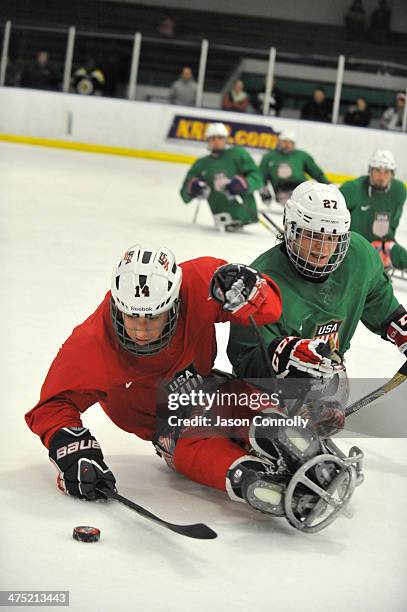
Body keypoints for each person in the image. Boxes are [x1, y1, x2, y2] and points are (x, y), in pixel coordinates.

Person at [25, 244, 289, 521]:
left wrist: (254, 290)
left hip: (212, 391)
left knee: (246, 403)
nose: (141, 329)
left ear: (175, 302)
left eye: (153, 316)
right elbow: (52, 406)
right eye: (131, 315)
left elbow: (269, 312)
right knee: (191, 441)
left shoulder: (201, 281)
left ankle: (287, 435)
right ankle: (249, 478)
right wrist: (74, 451)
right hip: (169, 427)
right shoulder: (92, 342)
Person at [227, 180, 406, 383]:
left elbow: (378, 299)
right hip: (272, 391)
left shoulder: (359, 257)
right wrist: (282, 357)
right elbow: (246, 358)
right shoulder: (259, 283)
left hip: (330, 378)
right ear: (290, 229)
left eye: (332, 237)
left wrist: (401, 328)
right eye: (313, 235)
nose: (323, 248)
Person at [180, 122, 262, 231]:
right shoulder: (201, 164)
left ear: (226, 139)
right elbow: (184, 195)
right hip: (220, 222)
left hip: (246, 214)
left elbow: (258, 178)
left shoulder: (238, 154)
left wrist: (245, 184)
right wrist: (192, 188)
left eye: (220, 138)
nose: (216, 141)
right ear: (207, 141)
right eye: (212, 138)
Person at [340, 150, 407, 272]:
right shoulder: (353, 189)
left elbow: (392, 224)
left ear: (392, 174)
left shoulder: (399, 191)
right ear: (370, 171)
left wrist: (385, 244)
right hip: (355, 247)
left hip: (382, 244)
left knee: (402, 255)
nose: (381, 177)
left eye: (386, 172)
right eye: (377, 171)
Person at [258, 131, 329, 206]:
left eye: (290, 143)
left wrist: (327, 184)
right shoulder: (269, 157)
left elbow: (315, 172)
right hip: (282, 191)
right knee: (293, 207)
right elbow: (261, 176)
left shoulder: (302, 156)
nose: (287, 145)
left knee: (313, 205)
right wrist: (264, 191)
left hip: (303, 188)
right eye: (285, 142)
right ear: (279, 142)